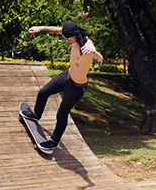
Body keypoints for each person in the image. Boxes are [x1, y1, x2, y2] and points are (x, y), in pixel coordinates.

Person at [22, 21, 103, 150]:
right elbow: (55, 29)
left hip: (77, 87)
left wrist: (94, 52)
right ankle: (36, 115)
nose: (66, 40)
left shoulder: (87, 45)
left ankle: (53, 142)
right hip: (66, 77)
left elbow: (100, 58)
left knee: (61, 114)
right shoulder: (71, 35)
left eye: (68, 38)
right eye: (65, 37)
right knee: (43, 92)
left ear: (75, 35)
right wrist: (40, 28)